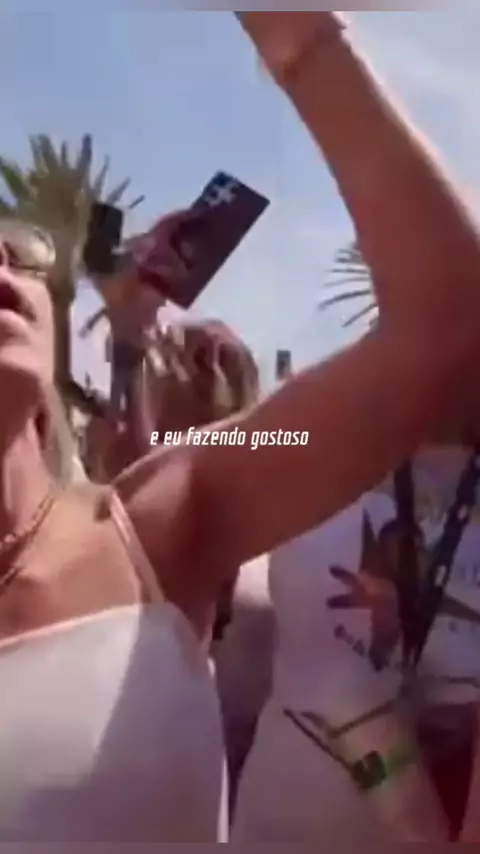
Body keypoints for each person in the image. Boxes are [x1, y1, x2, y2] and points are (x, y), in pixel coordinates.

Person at [3, 9, 480, 841]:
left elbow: (445, 313)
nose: (4, 264)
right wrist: (132, 344)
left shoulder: (168, 514)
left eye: (19, 251)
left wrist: (297, 33)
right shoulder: (281, 472)